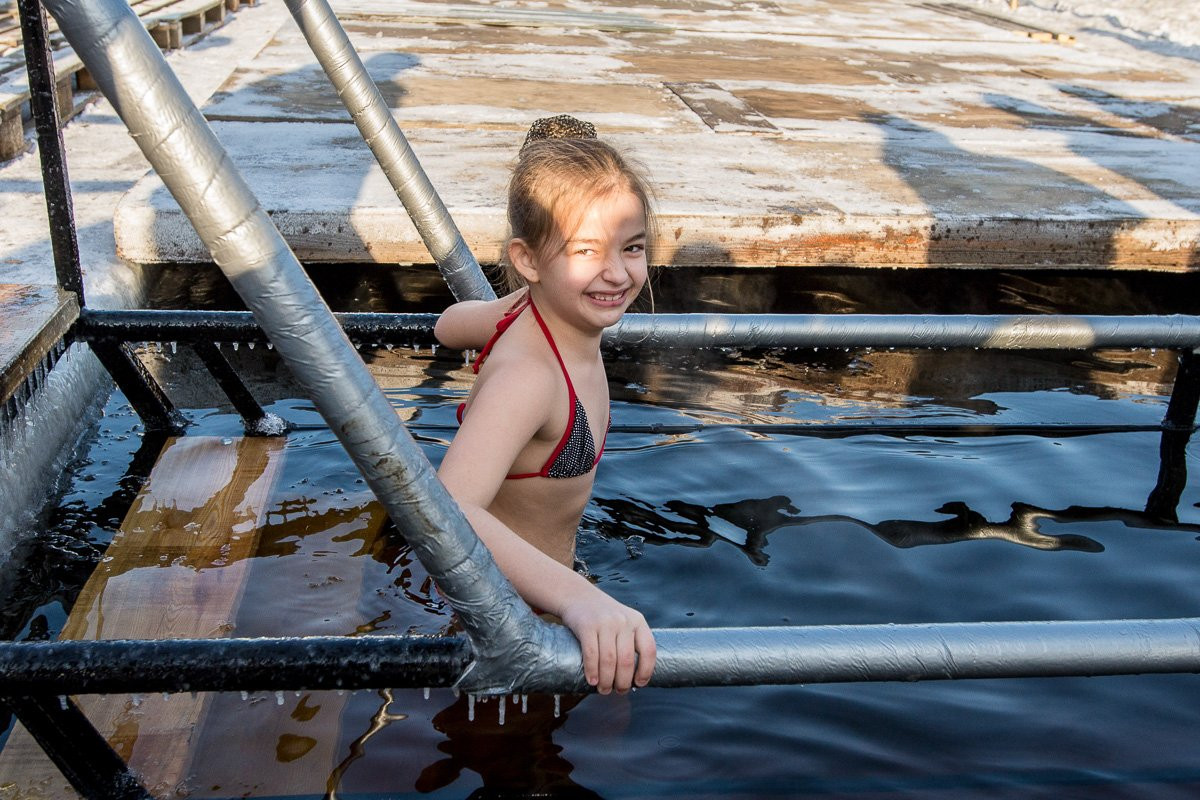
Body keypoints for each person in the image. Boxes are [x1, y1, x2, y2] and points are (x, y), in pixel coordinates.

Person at [434, 117, 657, 695]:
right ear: (528, 260)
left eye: (632, 248)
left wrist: (497, 310)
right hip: (510, 626)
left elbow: (448, 326)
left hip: (536, 597)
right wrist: (581, 600)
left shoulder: (521, 311)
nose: (616, 272)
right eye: (587, 251)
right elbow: (449, 510)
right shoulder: (532, 376)